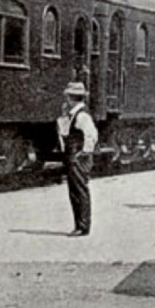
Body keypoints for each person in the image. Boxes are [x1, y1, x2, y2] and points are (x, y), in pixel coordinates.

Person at [56, 82, 98, 236]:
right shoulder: (73, 114)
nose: (65, 100)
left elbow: (91, 135)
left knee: (79, 190)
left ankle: (83, 225)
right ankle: (80, 224)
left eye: (67, 97)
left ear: (70, 98)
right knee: (75, 191)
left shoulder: (82, 115)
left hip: (77, 156)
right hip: (72, 155)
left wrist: (85, 153)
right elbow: (64, 131)